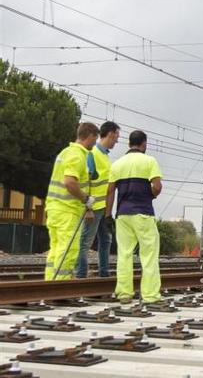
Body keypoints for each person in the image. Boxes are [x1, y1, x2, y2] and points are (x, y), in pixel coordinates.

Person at [105, 130, 162, 304]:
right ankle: (150, 295)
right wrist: (150, 194)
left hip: (122, 214)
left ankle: (124, 293)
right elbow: (157, 186)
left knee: (124, 254)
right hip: (143, 213)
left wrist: (108, 215)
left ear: (129, 143)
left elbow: (110, 191)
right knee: (149, 254)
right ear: (143, 143)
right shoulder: (149, 161)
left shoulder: (117, 164)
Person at [44, 122, 99, 280]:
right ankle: (60, 288)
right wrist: (86, 199)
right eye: (95, 139)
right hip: (67, 210)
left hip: (54, 208)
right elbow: (70, 182)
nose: (95, 143)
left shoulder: (65, 152)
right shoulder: (77, 155)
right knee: (69, 249)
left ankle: (49, 284)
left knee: (56, 249)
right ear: (90, 136)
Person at [75, 121, 120, 278]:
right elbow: (86, 182)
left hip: (103, 208)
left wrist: (108, 213)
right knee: (85, 243)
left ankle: (104, 274)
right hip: (93, 208)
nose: (117, 140)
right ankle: (80, 275)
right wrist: (88, 208)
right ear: (110, 134)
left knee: (105, 241)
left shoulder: (105, 156)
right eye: (116, 137)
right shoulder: (92, 154)